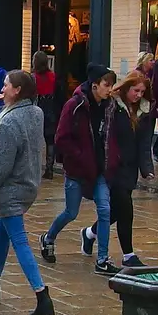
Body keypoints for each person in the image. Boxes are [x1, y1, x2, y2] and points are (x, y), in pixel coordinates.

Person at [0, 69, 53, 315]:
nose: (3, 88)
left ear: (18, 90)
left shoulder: (8, 122)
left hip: (12, 188)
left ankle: (42, 295)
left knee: (19, 240)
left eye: (6, 85)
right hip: (30, 183)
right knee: (3, 230)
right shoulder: (36, 112)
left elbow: (1, 167)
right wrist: (9, 103)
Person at [42, 65, 118, 274]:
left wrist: (113, 158)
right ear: (95, 85)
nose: (110, 89)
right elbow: (61, 138)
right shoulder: (74, 105)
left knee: (105, 210)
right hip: (78, 170)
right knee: (71, 212)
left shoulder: (109, 106)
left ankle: (102, 259)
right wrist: (79, 157)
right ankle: (48, 238)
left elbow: (112, 135)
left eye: (111, 85)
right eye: (106, 85)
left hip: (100, 169)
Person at [107, 69, 156, 269]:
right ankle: (128, 254)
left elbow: (145, 143)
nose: (138, 95)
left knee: (116, 210)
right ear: (126, 88)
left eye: (142, 92)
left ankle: (89, 233)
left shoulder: (146, 111)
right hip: (114, 165)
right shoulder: (113, 106)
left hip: (131, 167)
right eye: (135, 90)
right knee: (126, 208)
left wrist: (147, 168)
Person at [32, 50, 58, 175]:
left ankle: (35, 167)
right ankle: (49, 168)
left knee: (35, 140)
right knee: (50, 140)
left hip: (37, 108)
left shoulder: (33, 77)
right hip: (50, 109)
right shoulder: (53, 76)